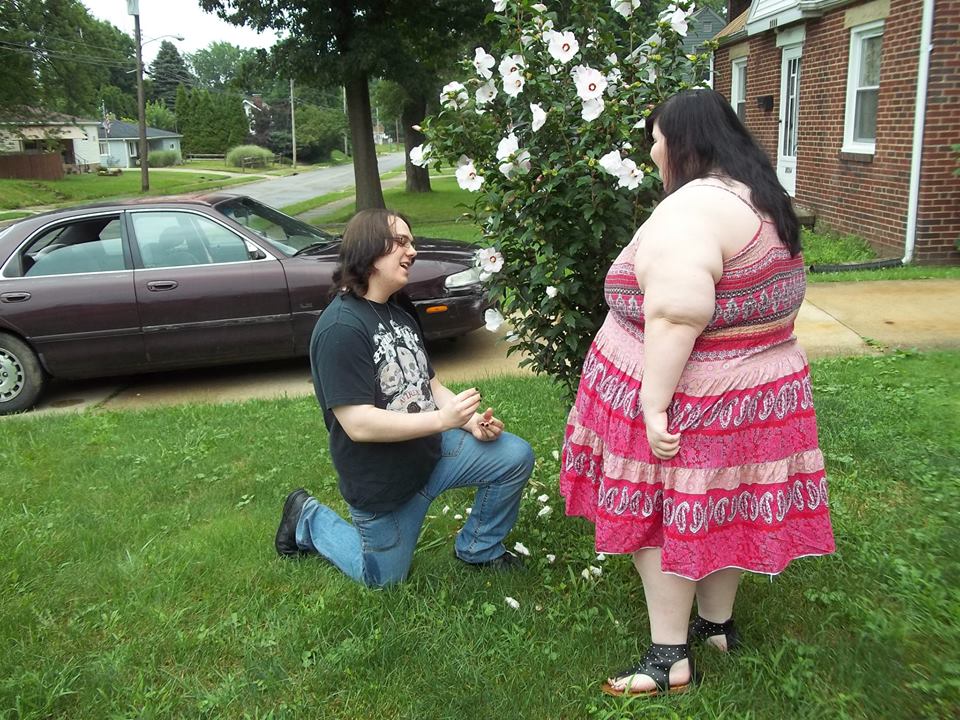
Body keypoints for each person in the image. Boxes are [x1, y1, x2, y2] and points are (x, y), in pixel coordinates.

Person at [559, 88, 836, 696]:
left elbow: (677, 312)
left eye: (655, 140)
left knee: (663, 518)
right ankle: (716, 627)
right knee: (718, 507)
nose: (652, 152)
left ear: (683, 143)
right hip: (753, 390)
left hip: (693, 399)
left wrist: (653, 403)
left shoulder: (692, 210)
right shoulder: (757, 194)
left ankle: (668, 659)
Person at [274, 208, 535, 588]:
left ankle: (479, 548)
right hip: (385, 486)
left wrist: (468, 422)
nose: (412, 251)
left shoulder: (399, 307)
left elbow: (430, 384)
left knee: (513, 456)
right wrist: (442, 421)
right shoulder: (340, 329)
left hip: (432, 454)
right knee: (383, 580)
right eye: (400, 242)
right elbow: (358, 424)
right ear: (368, 250)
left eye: (411, 242)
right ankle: (307, 517)